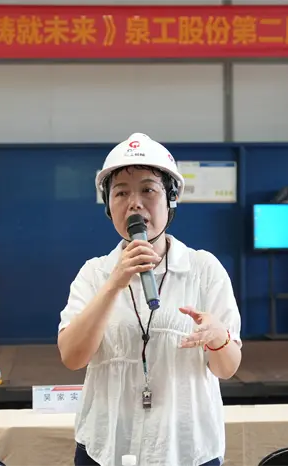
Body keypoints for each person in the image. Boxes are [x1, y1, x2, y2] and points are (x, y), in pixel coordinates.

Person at [57, 133, 243, 466]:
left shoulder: (203, 269)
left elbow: (227, 369)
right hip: (107, 447)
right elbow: (72, 357)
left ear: (171, 199)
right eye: (121, 192)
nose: (135, 203)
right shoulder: (94, 274)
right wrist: (114, 284)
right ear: (108, 205)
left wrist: (218, 338)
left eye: (148, 190)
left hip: (187, 450)